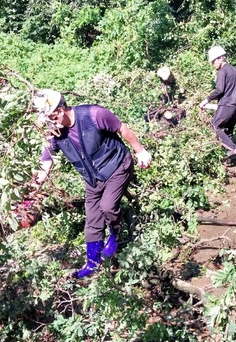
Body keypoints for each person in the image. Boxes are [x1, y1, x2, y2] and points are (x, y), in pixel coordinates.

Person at [31, 89, 152, 278]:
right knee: (93, 219)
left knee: (107, 206)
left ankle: (116, 234)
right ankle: (92, 264)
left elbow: (122, 129)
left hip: (117, 165)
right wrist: (31, 192)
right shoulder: (54, 134)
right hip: (93, 178)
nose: (50, 122)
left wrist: (140, 151)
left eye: (52, 117)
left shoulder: (94, 114)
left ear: (61, 109)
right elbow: (45, 162)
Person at [199, 46, 236, 162]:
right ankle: (232, 159)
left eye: (213, 61)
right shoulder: (235, 71)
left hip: (227, 105)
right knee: (229, 131)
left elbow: (220, 90)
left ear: (220, 58)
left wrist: (206, 100)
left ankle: (232, 149)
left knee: (215, 126)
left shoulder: (222, 71)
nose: (213, 64)